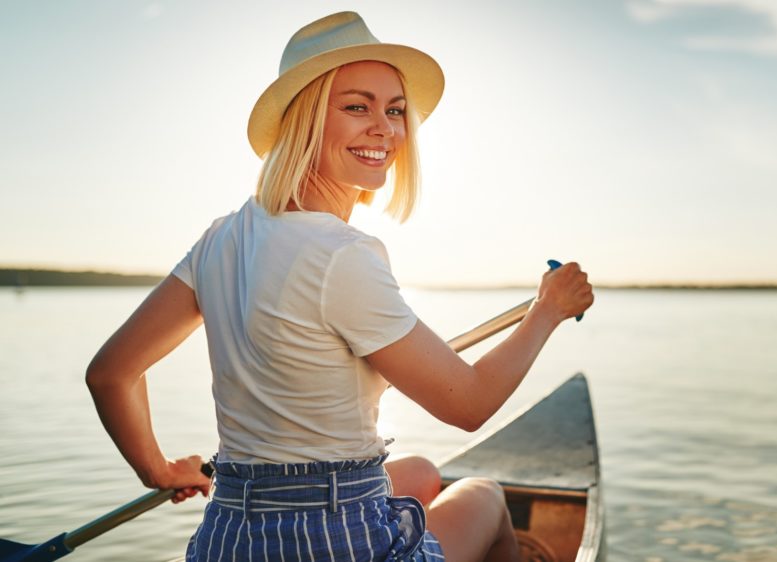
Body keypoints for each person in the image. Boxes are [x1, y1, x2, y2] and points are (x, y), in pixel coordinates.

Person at [86, 11, 593, 562]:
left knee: (421, 472)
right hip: (335, 543)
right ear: (305, 120)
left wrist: (157, 470)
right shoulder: (343, 255)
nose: (386, 128)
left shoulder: (221, 238)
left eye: (395, 110)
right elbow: (468, 405)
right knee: (487, 497)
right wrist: (548, 309)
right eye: (358, 106)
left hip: (229, 535)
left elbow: (112, 373)